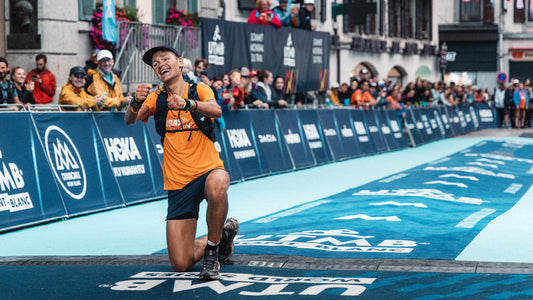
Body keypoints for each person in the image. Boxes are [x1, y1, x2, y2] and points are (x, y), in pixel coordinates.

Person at [124, 45, 239, 281]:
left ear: (179, 63)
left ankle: (212, 251)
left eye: (165, 59)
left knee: (219, 183)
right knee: (181, 263)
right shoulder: (157, 98)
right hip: (178, 183)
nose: (160, 65)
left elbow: (216, 110)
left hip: (207, 170)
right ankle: (224, 235)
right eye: (155, 64)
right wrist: (136, 101)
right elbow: (130, 119)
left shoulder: (199, 89)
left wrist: (188, 104)